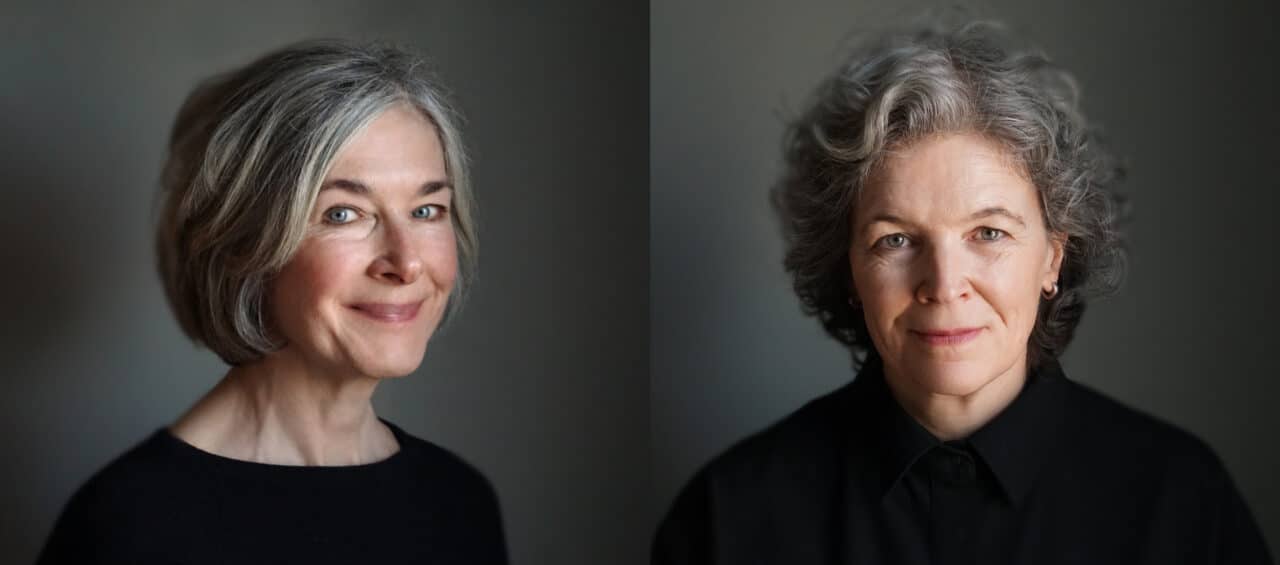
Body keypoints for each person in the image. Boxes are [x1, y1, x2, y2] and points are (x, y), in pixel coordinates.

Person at [652, 20, 1272, 565]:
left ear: (1053, 255)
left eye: (989, 232)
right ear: (848, 269)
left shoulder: (1183, 503)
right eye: (895, 240)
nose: (945, 286)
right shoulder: (727, 518)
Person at [37, 40, 507, 564]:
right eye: (343, 214)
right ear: (247, 244)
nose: (406, 262)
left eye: (426, 210)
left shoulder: (459, 504)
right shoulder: (129, 527)